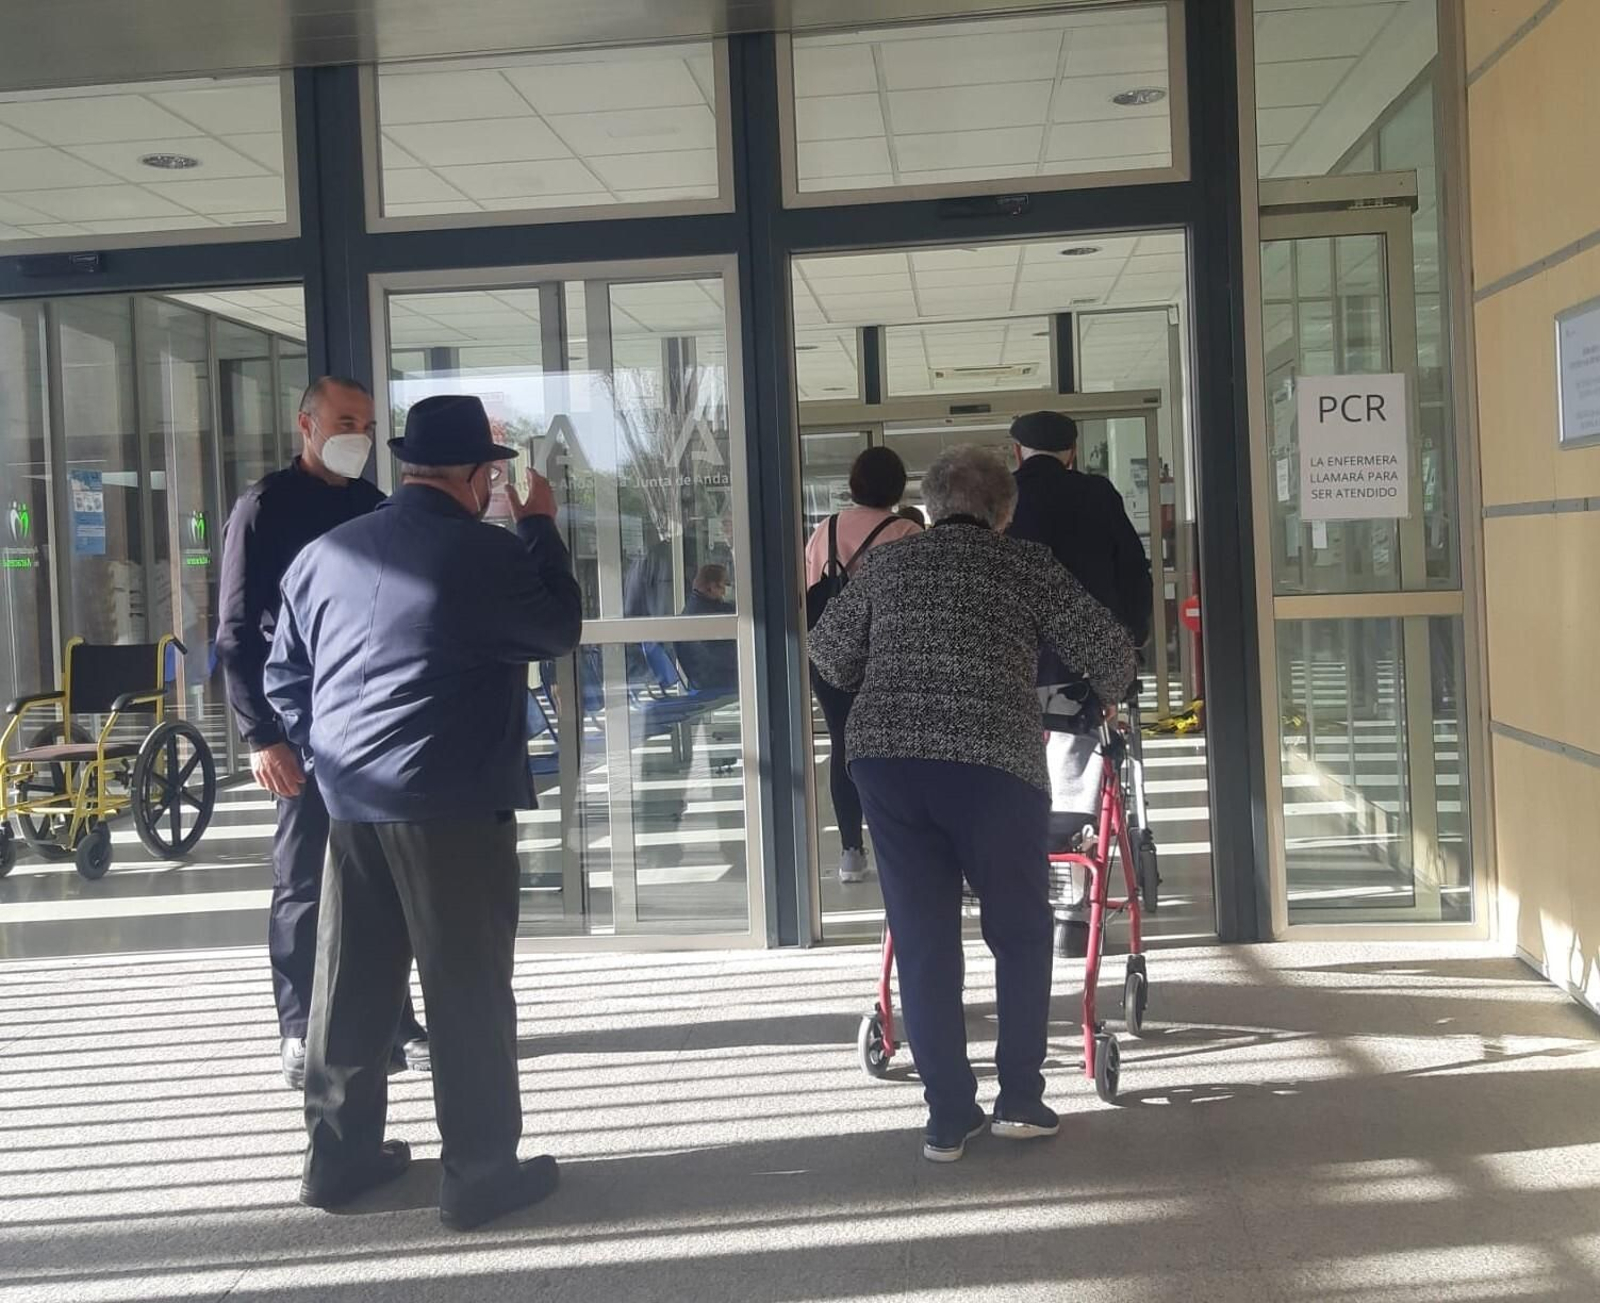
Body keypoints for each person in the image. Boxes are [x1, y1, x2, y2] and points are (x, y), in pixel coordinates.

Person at [264, 395, 583, 1230]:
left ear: (407, 466)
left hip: (351, 802)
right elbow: (556, 626)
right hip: (451, 802)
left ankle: (338, 1158)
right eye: (494, 479)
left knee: (350, 983)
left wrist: (328, 745)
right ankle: (478, 1172)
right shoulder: (483, 553)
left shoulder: (324, 552)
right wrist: (542, 527)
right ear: (481, 478)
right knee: (466, 987)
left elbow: (284, 674)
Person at [809, 444, 1134, 1163]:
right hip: (995, 763)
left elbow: (828, 655)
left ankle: (948, 1116)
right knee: (1018, 929)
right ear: (1005, 511)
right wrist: (1096, 691)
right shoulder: (1026, 565)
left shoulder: (887, 564)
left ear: (925, 505)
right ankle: (1019, 1096)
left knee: (923, 939)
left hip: (888, 766)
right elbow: (1112, 654)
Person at [216, 376, 428, 1091]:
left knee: (387, 879)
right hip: (301, 729)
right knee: (304, 881)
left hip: (374, 730)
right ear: (304, 422)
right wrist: (261, 735)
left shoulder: (377, 508)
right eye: (344, 419)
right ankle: (300, 1025)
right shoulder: (263, 509)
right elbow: (236, 634)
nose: (358, 436)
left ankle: (395, 1018)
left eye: (367, 424)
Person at [803, 447, 920, 884]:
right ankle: (900, 843)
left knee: (843, 745)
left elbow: (806, 591)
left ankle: (851, 851)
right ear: (897, 486)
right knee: (896, 748)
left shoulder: (823, 530)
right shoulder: (906, 530)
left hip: (830, 656)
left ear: (854, 485)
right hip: (887, 656)